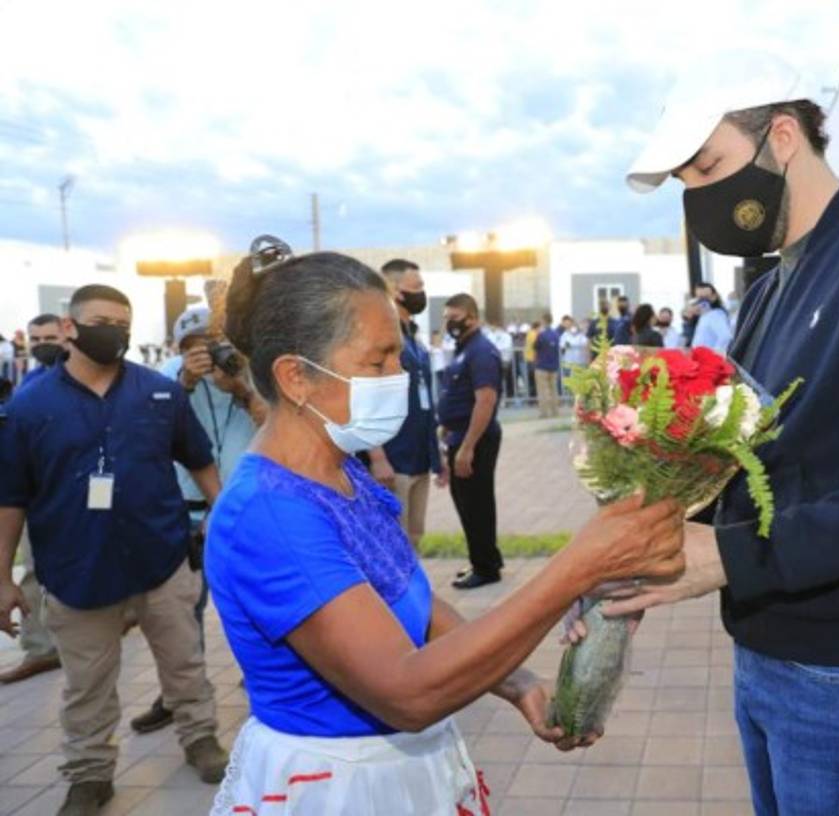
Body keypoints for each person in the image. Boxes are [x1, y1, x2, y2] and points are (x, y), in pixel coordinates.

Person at [602, 51, 839, 816]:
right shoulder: (773, 284)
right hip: (766, 641)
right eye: (688, 186)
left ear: (783, 136)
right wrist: (650, 548)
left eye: (709, 167)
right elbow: (746, 456)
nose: (704, 200)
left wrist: (735, 556)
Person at [204, 246, 684, 814]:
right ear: (296, 377)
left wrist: (516, 680)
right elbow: (406, 692)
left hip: (399, 769)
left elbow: (417, 606)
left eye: (399, 357)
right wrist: (575, 570)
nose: (398, 376)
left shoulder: (339, 471)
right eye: (378, 361)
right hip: (342, 786)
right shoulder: (272, 514)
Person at [0, 284, 229, 816]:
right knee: (86, 686)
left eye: (123, 324)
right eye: (102, 320)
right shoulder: (29, 407)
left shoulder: (159, 392)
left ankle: (200, 739)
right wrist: (4, 579)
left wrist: (223, 514)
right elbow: (9, 499)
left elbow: (199, 458)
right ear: (70, 328)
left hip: (162, 560)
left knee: (186, 664)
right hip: (77, 571)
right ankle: (89, 774)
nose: (115, 332)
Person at [126, 304, 266, 736]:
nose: (204, 354)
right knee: (183, 608)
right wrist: (185, 383)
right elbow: (146, 432)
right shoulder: (166, 376)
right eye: (193, 347)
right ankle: (178, 694)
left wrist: (240, 389)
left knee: (256, 599)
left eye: (213, 344)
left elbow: (274, 421)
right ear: (179, 348)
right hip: (185, 506)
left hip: (246, 504)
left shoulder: (252, 370)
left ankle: (264, 681)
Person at [0, 314, 67, 685]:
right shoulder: (29, 382)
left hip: (72, 496)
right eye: (37, 337)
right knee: (32, 572)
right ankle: (40, 649)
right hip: (31, 493)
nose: (43, 344)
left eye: (50, 337)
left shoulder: (82, 378)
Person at [369, 259, 447, 547]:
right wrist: (378, 457)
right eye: (417, 287)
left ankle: (413, 594)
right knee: (392, 544)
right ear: (394, 290)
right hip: (394, 459)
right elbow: (368, 399)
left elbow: (424, 401)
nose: (421, 293)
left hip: (419, 459)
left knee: (414, 537)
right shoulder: (380, 340)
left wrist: (437, 455)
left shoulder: (413, 337)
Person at [438, 294, 506, 590]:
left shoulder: (480, 351)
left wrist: (467, 447)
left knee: (474, 503)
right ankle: (484, 558)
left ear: (472, 318)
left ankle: (486, 567)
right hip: (460, 435)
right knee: (469, 502)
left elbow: (485, 400)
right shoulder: (465, 348)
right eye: (446, 318)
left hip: (474, 439)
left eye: (455, 318)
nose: (449, 323)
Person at [533, 313, 561, 419]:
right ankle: (555, 411)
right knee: (554, 390)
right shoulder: (556, 334)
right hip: (553, 365)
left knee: (542, 390)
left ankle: (544, 412)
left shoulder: (541, 334)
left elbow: (535, 347)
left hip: (542, 365)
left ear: (544, 321)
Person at [691, 283, 733, 353]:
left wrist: (714, 355)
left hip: (708, 359)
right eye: (700, 298)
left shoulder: (715, 314)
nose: (702, 301)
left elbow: (726, 337)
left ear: (714, 297)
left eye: (706, 297)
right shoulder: (705, 315)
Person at [485, 321, 516, 400]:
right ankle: (501, 397)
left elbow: (505, 346)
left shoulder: (505, 336)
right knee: (497, 380)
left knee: (505, 379)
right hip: (494, 360)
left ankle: (507, 397)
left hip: (504, 360)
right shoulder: (490, 335)